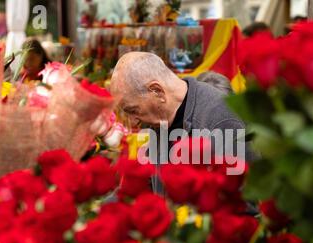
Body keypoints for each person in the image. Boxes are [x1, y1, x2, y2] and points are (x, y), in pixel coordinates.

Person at [110, 52, 256, 193]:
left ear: (157, 91)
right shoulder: (160, 117)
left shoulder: (221, 119)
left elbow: (244, 203)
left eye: (133, 110)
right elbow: (146, 183)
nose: (133, 121)